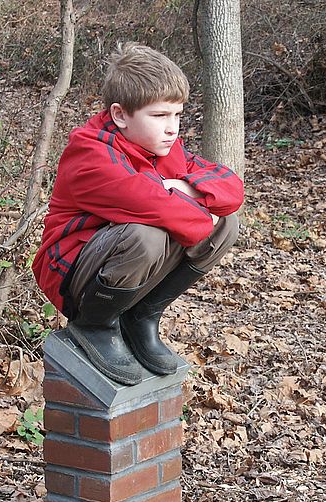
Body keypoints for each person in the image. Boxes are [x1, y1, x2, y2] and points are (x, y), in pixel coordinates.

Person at [32, 42, 244, 385]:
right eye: (159, 116)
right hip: (72, 273)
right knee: (149, 232)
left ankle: (141, 314)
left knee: (227, 226)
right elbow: (153, 205)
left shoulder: (162, 147)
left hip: (118, 259)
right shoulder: (90, 154)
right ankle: (96, 323)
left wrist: (186, 188)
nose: (172, 128)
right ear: (120, 115)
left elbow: (231, 187)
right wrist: (199, 209)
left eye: (177, 114)